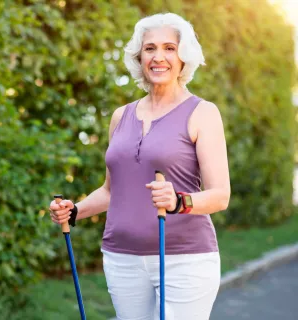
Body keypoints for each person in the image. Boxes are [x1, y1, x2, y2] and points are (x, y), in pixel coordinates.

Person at [49, 12, 231, 320]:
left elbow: (220, 196)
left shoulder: (202, 113)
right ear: (139, 56)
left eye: (169, 48)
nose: (159, 57)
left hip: (184, 260)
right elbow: (111, 191)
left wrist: (178, 201)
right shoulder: (121, 116)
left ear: (183, 56)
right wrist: (75, 210)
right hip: (121, 258)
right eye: (150, 48)